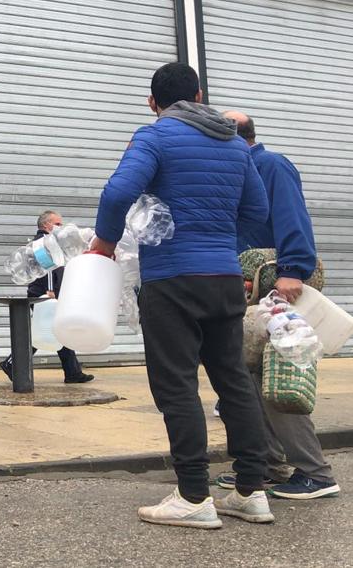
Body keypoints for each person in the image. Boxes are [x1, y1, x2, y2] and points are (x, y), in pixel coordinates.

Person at [89, 62, 273, 529]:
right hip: (225, 279)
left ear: (154, 102)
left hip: (173, 279)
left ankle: (194, 495)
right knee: (232, 379)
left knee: (176, 385)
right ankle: (252, 490)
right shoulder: (235, 144)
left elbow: (117, 193)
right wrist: (219, 245)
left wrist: (105, 243)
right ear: (199, 93)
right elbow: (257, 210)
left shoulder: (155, 136)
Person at [217, 110, 340, 500]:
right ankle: (269, 465)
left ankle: (316, 472)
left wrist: (293, 270)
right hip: (251, 293)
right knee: (249, 376)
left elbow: (293, 218)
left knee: (278, 377)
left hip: (278, 289)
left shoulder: (271, 165)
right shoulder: (238, 172)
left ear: (236, 139)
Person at [0, 211, 93, 384]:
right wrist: (49, 291)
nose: (60, 227)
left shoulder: (48, 242)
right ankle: (11, 363)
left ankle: (72, 372)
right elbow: (48, 268)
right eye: (57, 224)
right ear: (46, 225)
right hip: (45, 294)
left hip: (46, 293)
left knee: (59, 330)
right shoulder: (44, 243)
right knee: (47, 330)